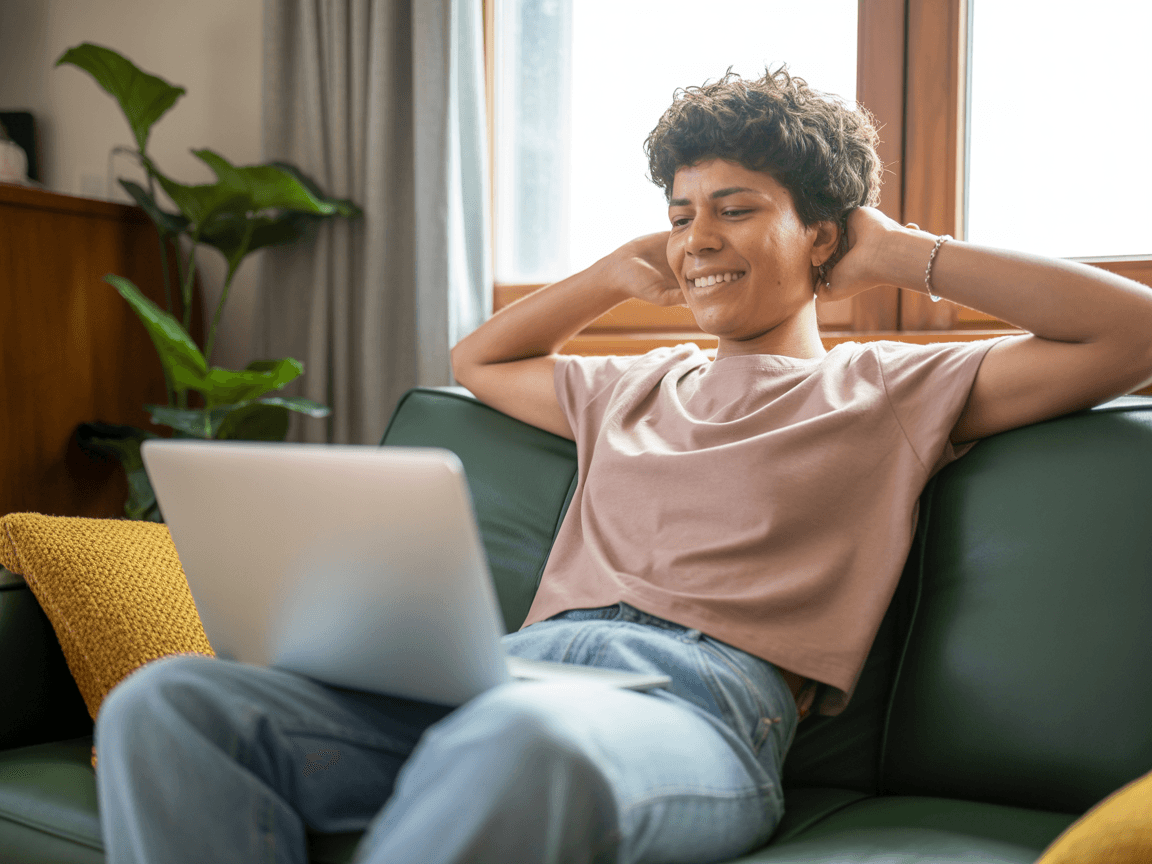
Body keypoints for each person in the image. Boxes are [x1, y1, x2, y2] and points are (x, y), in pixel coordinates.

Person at [94, 67, 1152, 864]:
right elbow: (479, 358)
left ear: (822, 239)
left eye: (737, 209)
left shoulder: (890, 387)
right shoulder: (630, 385)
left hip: (700, 710)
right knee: (173, 704)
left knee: (519, 738)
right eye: (680, 214)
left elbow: (1130, 335)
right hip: (503, 679)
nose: (697, 239)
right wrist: (607, 277)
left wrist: (900, 251)